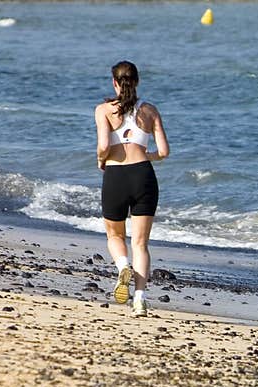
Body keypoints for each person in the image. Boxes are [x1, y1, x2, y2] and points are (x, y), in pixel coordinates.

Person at [95, 60, 169, 317]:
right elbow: (163, 152)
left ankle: (123, 266)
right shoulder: (150, 110)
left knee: (115, 236)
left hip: (116, 174)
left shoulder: (103, 110)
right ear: (137, 82)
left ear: (114, 82)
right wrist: (147, 156)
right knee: (140, 243)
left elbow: (104, 145)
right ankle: (139, 299)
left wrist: (100, 159)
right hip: (143, 177)